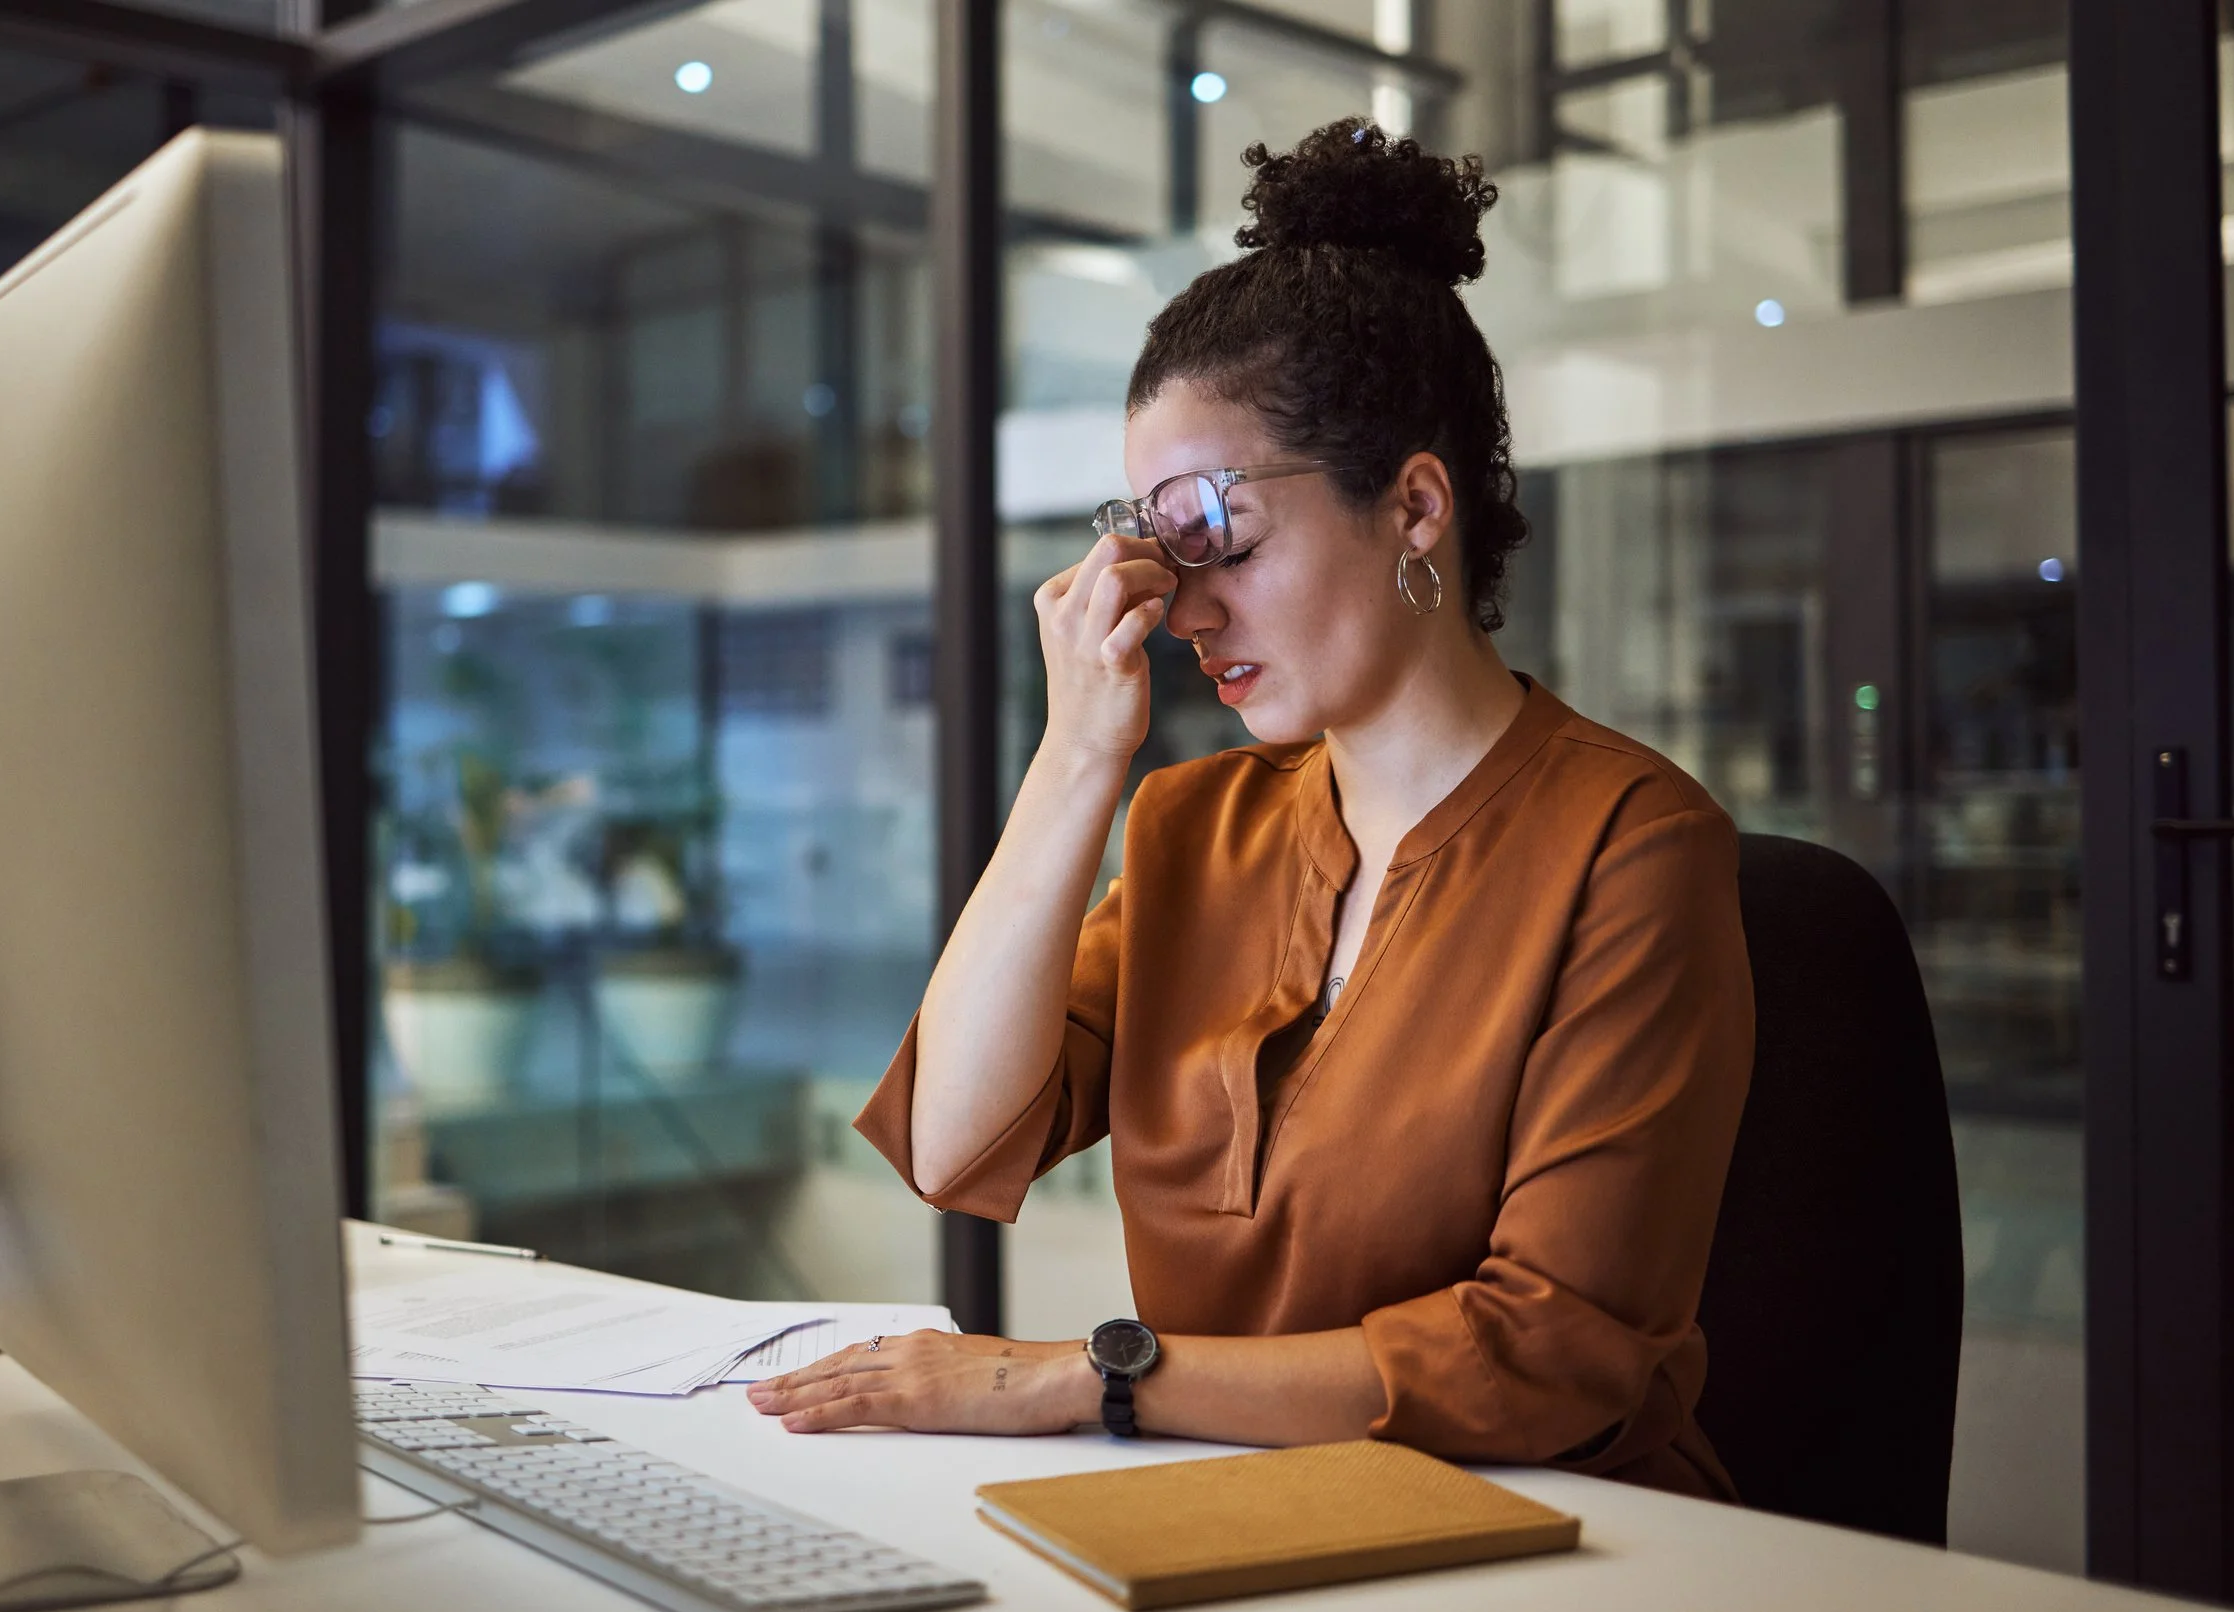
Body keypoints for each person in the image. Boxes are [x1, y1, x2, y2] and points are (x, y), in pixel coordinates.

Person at [748, 119, 1754, 1499]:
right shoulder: (1190, 831)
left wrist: (1081, 1377)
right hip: (1222, 1509)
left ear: (1413, 506)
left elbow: (1543, 1356)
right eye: (1161, 551)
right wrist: (1073, 762)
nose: (1189, 608)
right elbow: (955, 1145)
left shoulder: (1634, 847)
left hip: (1552, 1536)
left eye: (1222, 536)